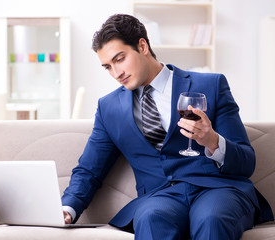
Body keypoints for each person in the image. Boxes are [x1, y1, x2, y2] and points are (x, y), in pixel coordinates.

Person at [61, 14, 273, 239]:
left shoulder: (211, 85)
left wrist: (213, 141)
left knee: (212, 218)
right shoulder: (109, 107)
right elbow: (90, 169)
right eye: (108, 67)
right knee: (152, 218)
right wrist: (68, 208)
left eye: (120, 59)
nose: (116, 73)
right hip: (160, 196)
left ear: (142, 46)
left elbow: (246, 161)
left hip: (217, 189)